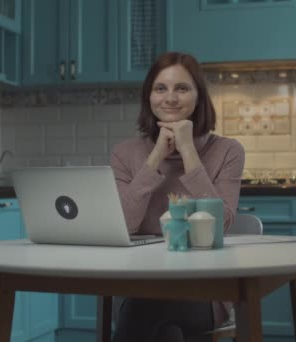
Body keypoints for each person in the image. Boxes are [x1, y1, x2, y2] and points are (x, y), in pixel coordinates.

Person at [109, 51, 245, 342]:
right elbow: (124, 224)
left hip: (205, 291)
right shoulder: (125, 153)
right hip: (140, 283)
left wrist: (188, 152)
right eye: (161, 88)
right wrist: (156, 157)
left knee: (146, 308)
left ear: (199, 96)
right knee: (163, 329)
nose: (170, 98)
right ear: (149, 96)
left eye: (181, 88)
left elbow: (220, 225)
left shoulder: (228, 151)